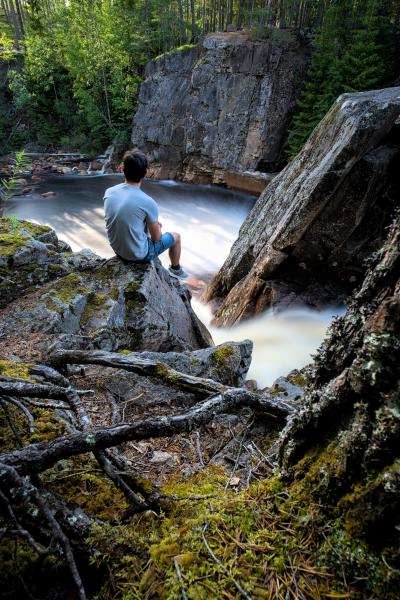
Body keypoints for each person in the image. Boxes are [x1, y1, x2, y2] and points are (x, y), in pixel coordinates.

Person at [103, 150, 188, 278]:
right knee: (176, 237)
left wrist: (148, 223)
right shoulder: (148, 202)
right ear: (146, 172)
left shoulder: (109, 192)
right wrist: (157, 227)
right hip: (138, 256)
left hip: (117, 249)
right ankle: (176, 269)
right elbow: (156, 239)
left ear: (122, 169)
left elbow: (123, 218)